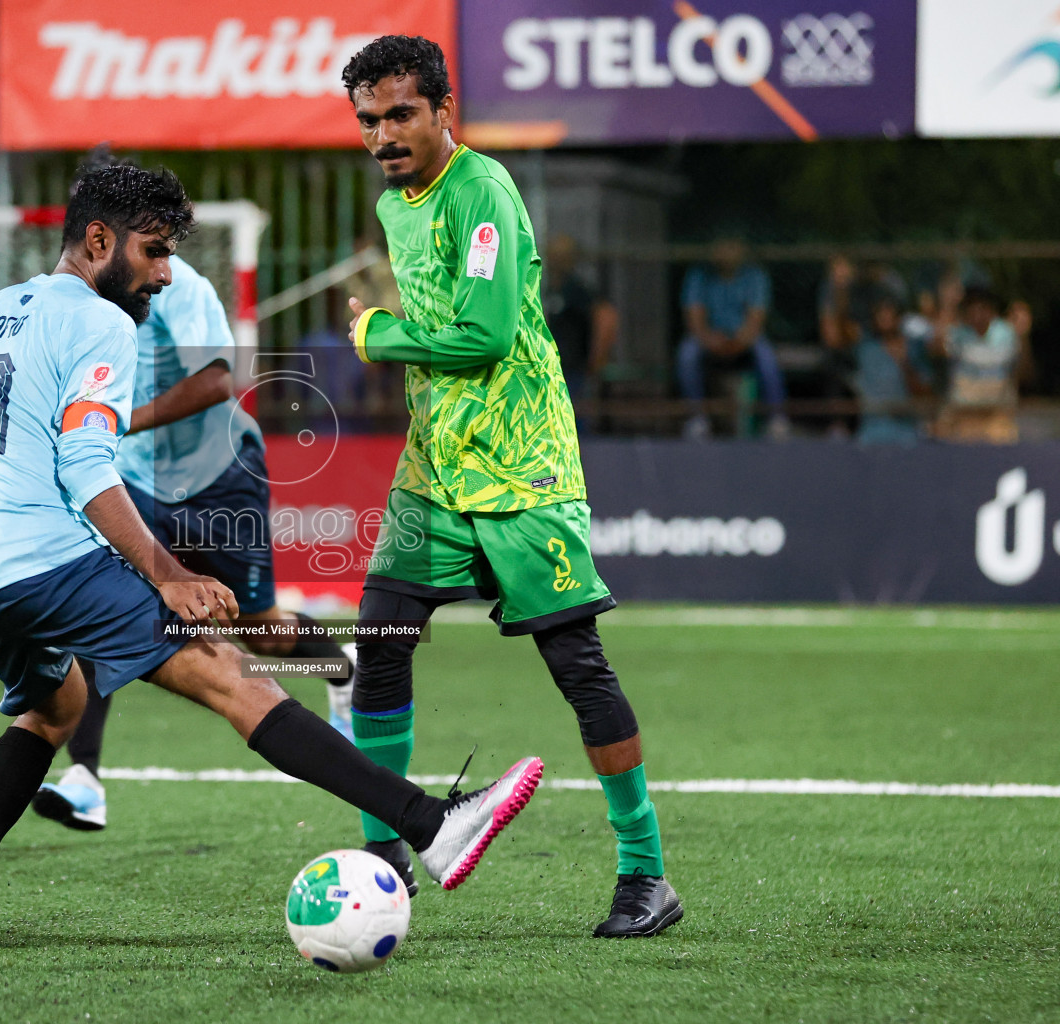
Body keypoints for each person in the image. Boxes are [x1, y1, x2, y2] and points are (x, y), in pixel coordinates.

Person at [0, 162, 543, 950]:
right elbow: (87, 466)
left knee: (53, 709)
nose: (164, 272)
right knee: (235, 676)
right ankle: (433, 827)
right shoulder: (100, 323)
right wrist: (172, 574)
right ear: (97, 240)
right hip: (45, 562)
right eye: (153, 251)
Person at [340, 35, 680, 937]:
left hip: (523, 467)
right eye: (369, 120)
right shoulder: (395, 204)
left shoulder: (481, 190)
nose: (384, 134)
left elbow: (485, 336)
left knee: (577, 666)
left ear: (443, 111)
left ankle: (645, 873)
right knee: (380, 637)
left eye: (401, 114)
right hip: (435, 467)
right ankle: (383, 860)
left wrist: (378, 336)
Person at [33, 156, 359, 832]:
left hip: (220, 475)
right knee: (103, 608)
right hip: (136, 483)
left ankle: (345, 668)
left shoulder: (178, 287)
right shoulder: (73, 299)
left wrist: (126, 420)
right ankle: (86, 778)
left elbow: (219, 377)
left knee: (257, 631)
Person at [677, 238, 788, 440]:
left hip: (743, 340)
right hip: (709, 340)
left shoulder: (754, 275)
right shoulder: (699, 274)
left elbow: (755, 322)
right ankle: (696, 418)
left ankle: (776, 418)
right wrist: (710, 340)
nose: (725, 252)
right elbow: (694, 320)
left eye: (731, 246)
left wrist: (737, 342)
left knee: (766, 356)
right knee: (687, 354)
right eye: (720, 246)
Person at [931, 285, 1022, 444]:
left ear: (992, 310)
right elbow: (936, 349)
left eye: (982, 308)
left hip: (996, 416)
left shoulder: (1007, 333)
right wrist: (947, 306)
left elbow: (1023, 372)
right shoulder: (957, 333)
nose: (977, 314)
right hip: (964, 416)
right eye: (972, 308)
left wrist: (1024, 335)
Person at [543, 234, 617, 409]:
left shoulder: (577, 289)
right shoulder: (546, 287)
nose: (557, 260)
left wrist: (597, 358)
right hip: (547, 368)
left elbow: (607, 317)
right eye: (554, 255)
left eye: (563, 255)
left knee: (574, 424)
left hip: (573, 371)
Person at [854, 293, 934, 445]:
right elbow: (835, 335)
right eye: (880, 315)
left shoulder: (914, 347)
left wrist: (904, 363)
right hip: (871, 430)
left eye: (889, 314)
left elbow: (925, 392)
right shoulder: (865, 348)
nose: (885, 319)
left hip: (906, 431)